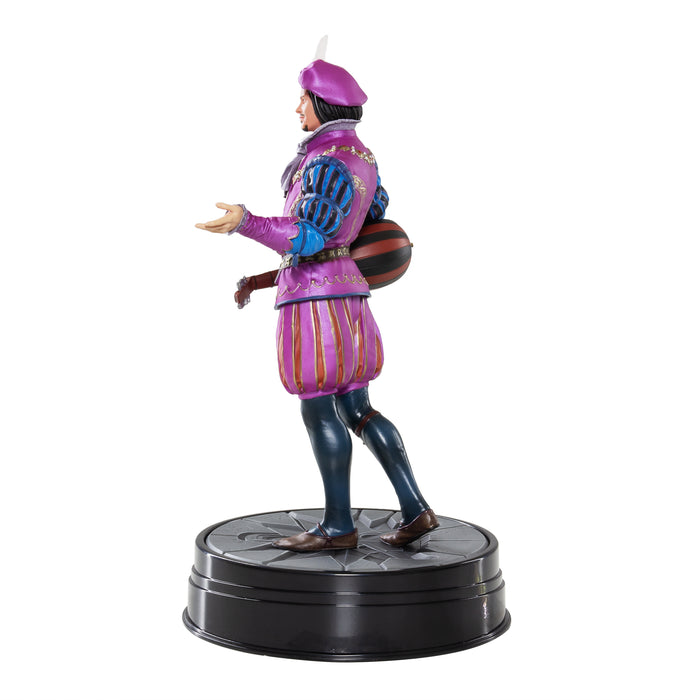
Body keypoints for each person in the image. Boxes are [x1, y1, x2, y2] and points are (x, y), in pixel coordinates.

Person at [196, 58, 438, 552]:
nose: (297, 109)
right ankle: (416, 509)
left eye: (303, 100)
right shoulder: (362, 156)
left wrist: (247, 222)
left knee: (319, 408)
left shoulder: (327, 159)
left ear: (323, 104)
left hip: (316, 308)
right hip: (349, 299)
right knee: (359, 409)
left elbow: (311, 237)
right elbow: (353, 233)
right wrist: (260, 281)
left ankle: (337, 526)